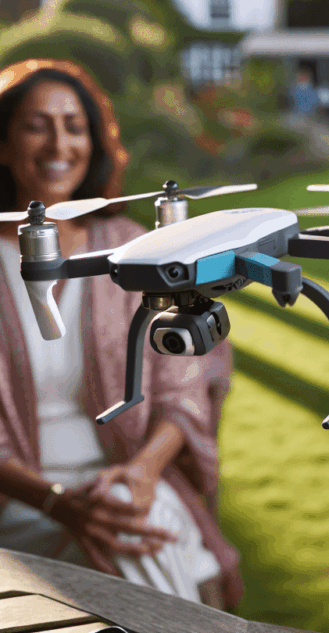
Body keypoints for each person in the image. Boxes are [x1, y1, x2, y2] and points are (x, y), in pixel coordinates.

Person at [0, 59, 244, 611]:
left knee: (143, 521)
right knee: (156, 543)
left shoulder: (133, 249)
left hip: (130, 477)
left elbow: (183, 388)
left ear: (94, 142)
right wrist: (60, 503)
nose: (59, 143)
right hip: (18, 500)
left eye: (74, 126)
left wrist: (140, 472)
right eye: (36, 125)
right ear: (4, 145)